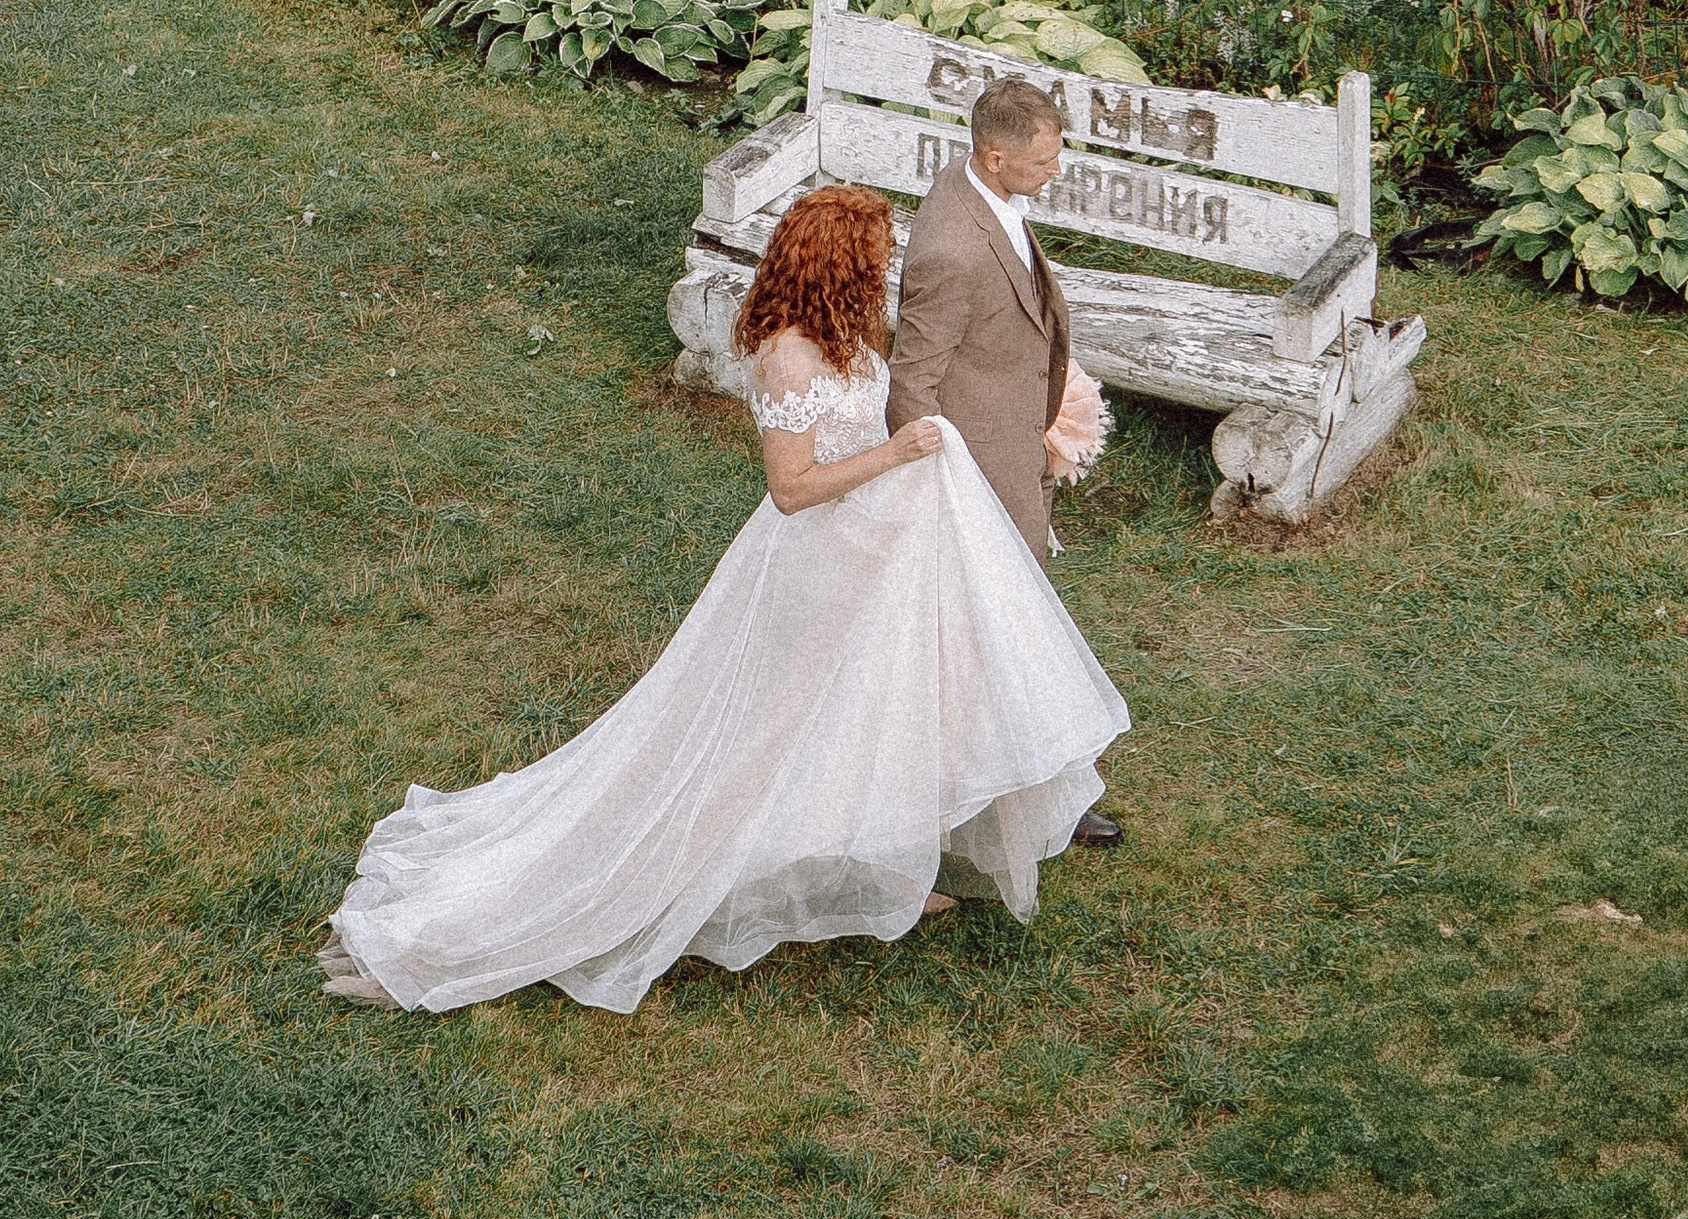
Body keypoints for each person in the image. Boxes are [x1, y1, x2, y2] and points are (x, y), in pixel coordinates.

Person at [317, 184, 1127, 1018]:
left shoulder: (847, 335)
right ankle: (641, 878)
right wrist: (897, 456)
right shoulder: (788, 358)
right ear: (838, 264)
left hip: (875, 550)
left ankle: (884, 867)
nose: (887, 264)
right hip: (820, 562)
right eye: (875, 253)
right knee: (771, 732)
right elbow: (791, 489)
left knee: (872, 709)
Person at [890, 73, 1124, 848]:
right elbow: (912, 383)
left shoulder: (985, 195)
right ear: (994, 157)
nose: (1056, 169)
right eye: (1044, 160)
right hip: (978, 475)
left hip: (1013, 447)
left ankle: (1035, 785)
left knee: (1016, 633)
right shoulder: (953, 247)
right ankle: (1025, 797)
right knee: (1002, 638)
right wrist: (934, 490)